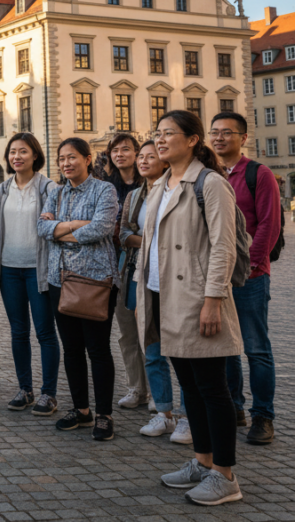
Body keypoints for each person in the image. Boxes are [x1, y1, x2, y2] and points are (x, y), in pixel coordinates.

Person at [136, 111, 243, 506]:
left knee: (213, 388)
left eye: (169, 134)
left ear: (193, 140)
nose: (160, 141)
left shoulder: (211, 183)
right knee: (190, 389)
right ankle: (202, 460)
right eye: (157, 134)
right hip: (163, 297)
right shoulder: (160, 184)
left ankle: (226, 475)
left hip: (197, 299)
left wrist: (213, 299)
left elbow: (224, 246)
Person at [37, 138, 119, 441]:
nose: (66, 163)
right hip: (60, 280)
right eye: (61, 159)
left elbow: (101, 228)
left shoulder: (104, 189)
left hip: (95, 281)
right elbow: (42, 229)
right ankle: (81, 409)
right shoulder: (56, 193)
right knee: (71, 349)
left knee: (98, 350)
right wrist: (75, 225)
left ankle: (104, 414)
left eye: (72, 158)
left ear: (87, 159)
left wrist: (60, 228)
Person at [209, 112, 280, 445]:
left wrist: (251, 265)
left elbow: (268, 223)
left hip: (250, 276)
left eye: (227, 132)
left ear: (243, 137)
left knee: (256, 348)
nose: (220, 138)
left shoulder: (258, 174)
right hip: (218, 275)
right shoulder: (210, 175)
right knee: (226, 348)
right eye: (215, 132)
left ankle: (263, 416)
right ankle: (235, 407)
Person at [121, 141, 190, 440]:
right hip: (144, 277)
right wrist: (146, 239)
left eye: (151, 156)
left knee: (185, 353)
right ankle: (164, 412)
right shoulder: (136, 195)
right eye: (141, 157)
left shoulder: (181, 190)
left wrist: (146, 237)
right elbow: (123, 233)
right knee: (152, 350)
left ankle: (188, 417)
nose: (144, 161)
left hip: (177, 280)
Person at [0, 132, 59, 416]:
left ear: (35, 155)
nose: (16, 157)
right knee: (18, 332)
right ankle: (25, 389)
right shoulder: (2, 189)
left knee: (44, 332)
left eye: (23, 151)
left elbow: (55, 226)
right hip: (9, 268)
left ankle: (49, 394)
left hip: (37, 269)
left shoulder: (48, 188)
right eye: (12, 152)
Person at [104, 133, 152, 411]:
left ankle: (159, 391)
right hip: (118, 266)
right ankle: (136, 388)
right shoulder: (107, 186)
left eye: (126, 149)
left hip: (149, 266)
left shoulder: (151, 186)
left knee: (152, 331)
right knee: (127, 332)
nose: (120, 154)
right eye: (115, 150)